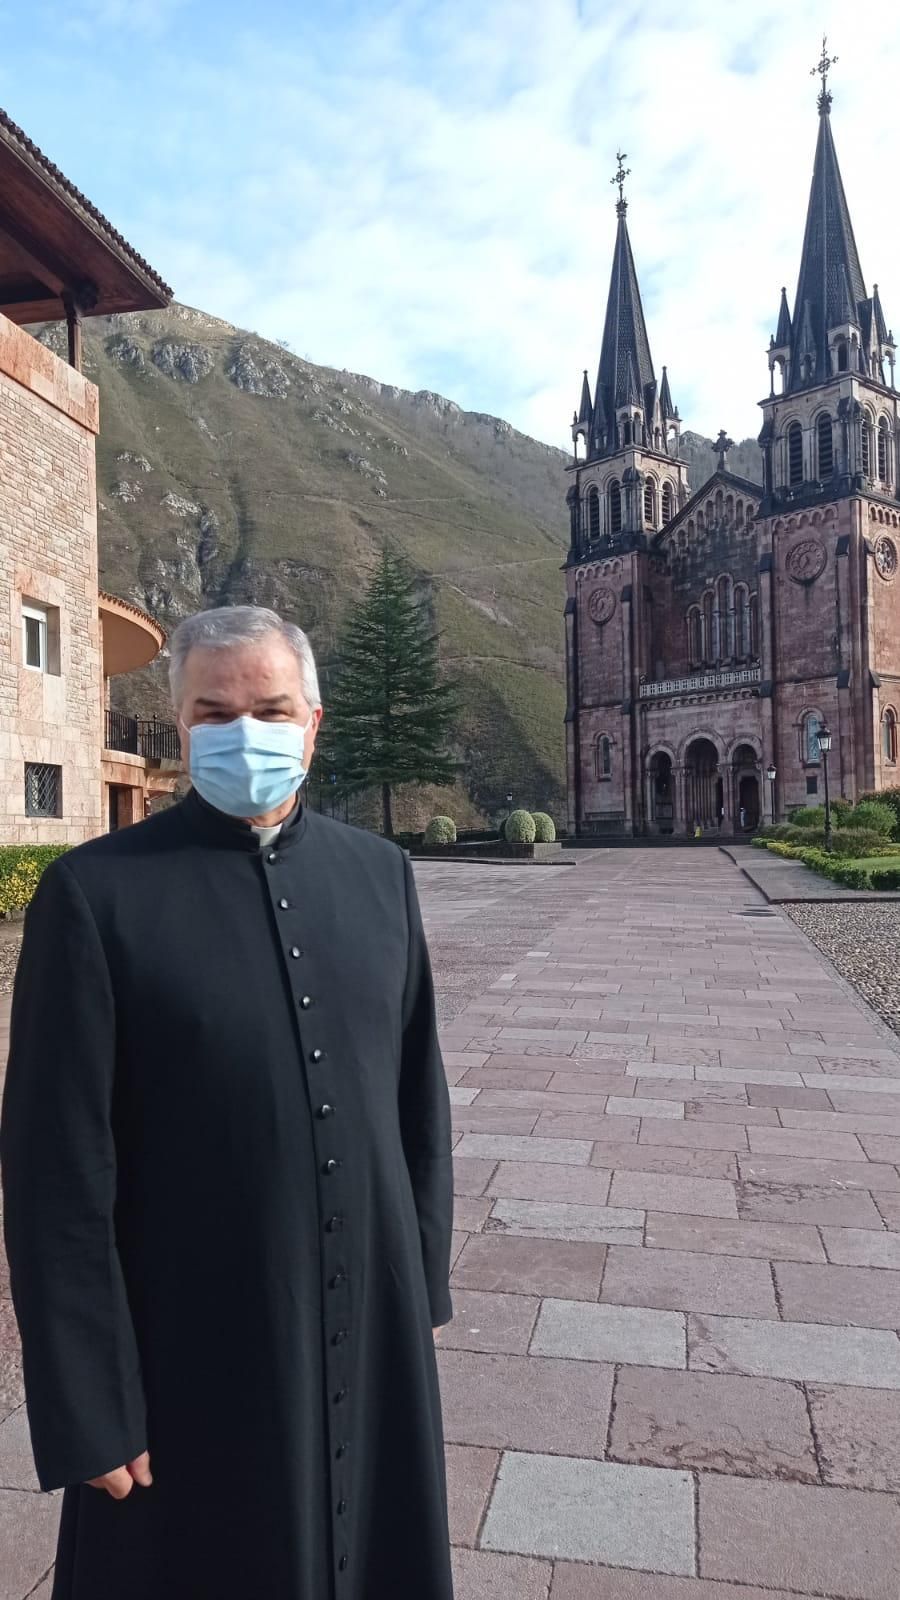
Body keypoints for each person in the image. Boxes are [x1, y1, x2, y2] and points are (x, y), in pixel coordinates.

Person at [1, 605, 455, 1600]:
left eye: (271, 708)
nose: (245, 730)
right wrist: (89, 1399)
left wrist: (417, 1284)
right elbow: (54, 1173)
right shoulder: (94, 895)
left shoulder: (381, 878)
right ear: (180, 724)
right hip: (187, 1347)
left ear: (313, 722)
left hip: (364, 1323)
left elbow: (418, 1102)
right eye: (215, 710)